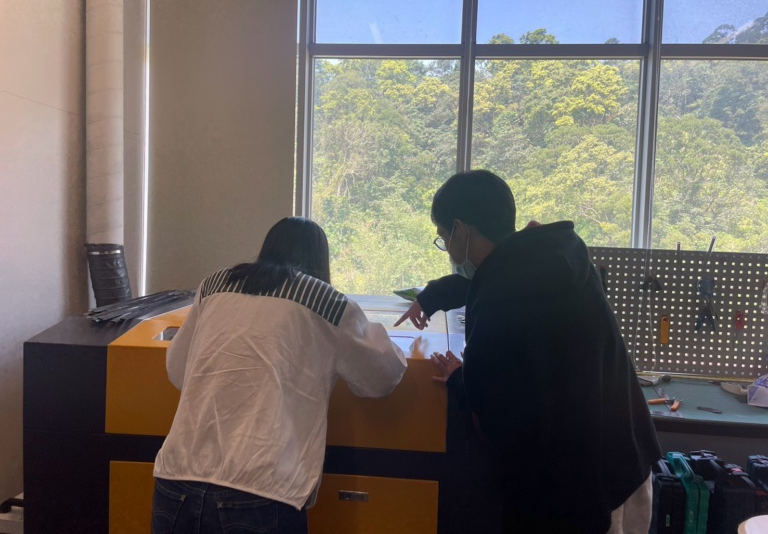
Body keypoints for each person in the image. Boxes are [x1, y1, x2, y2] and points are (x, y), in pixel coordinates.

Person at [396, 170, 661, 534]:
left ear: (460, 229)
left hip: (582, 494)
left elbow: (495, 410)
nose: (447, 247)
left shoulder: (500, 295)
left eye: (443, 237)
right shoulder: (554, 254)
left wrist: (461, 377)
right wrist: (433, 296)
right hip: (625, 465)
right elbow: (490, 281)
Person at [152, 217, 407, 534]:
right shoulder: (326, 302)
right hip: (261, 488)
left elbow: (178, 369)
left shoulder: (213, 285)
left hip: (177, 478)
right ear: (319, 259)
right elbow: (381, 377)